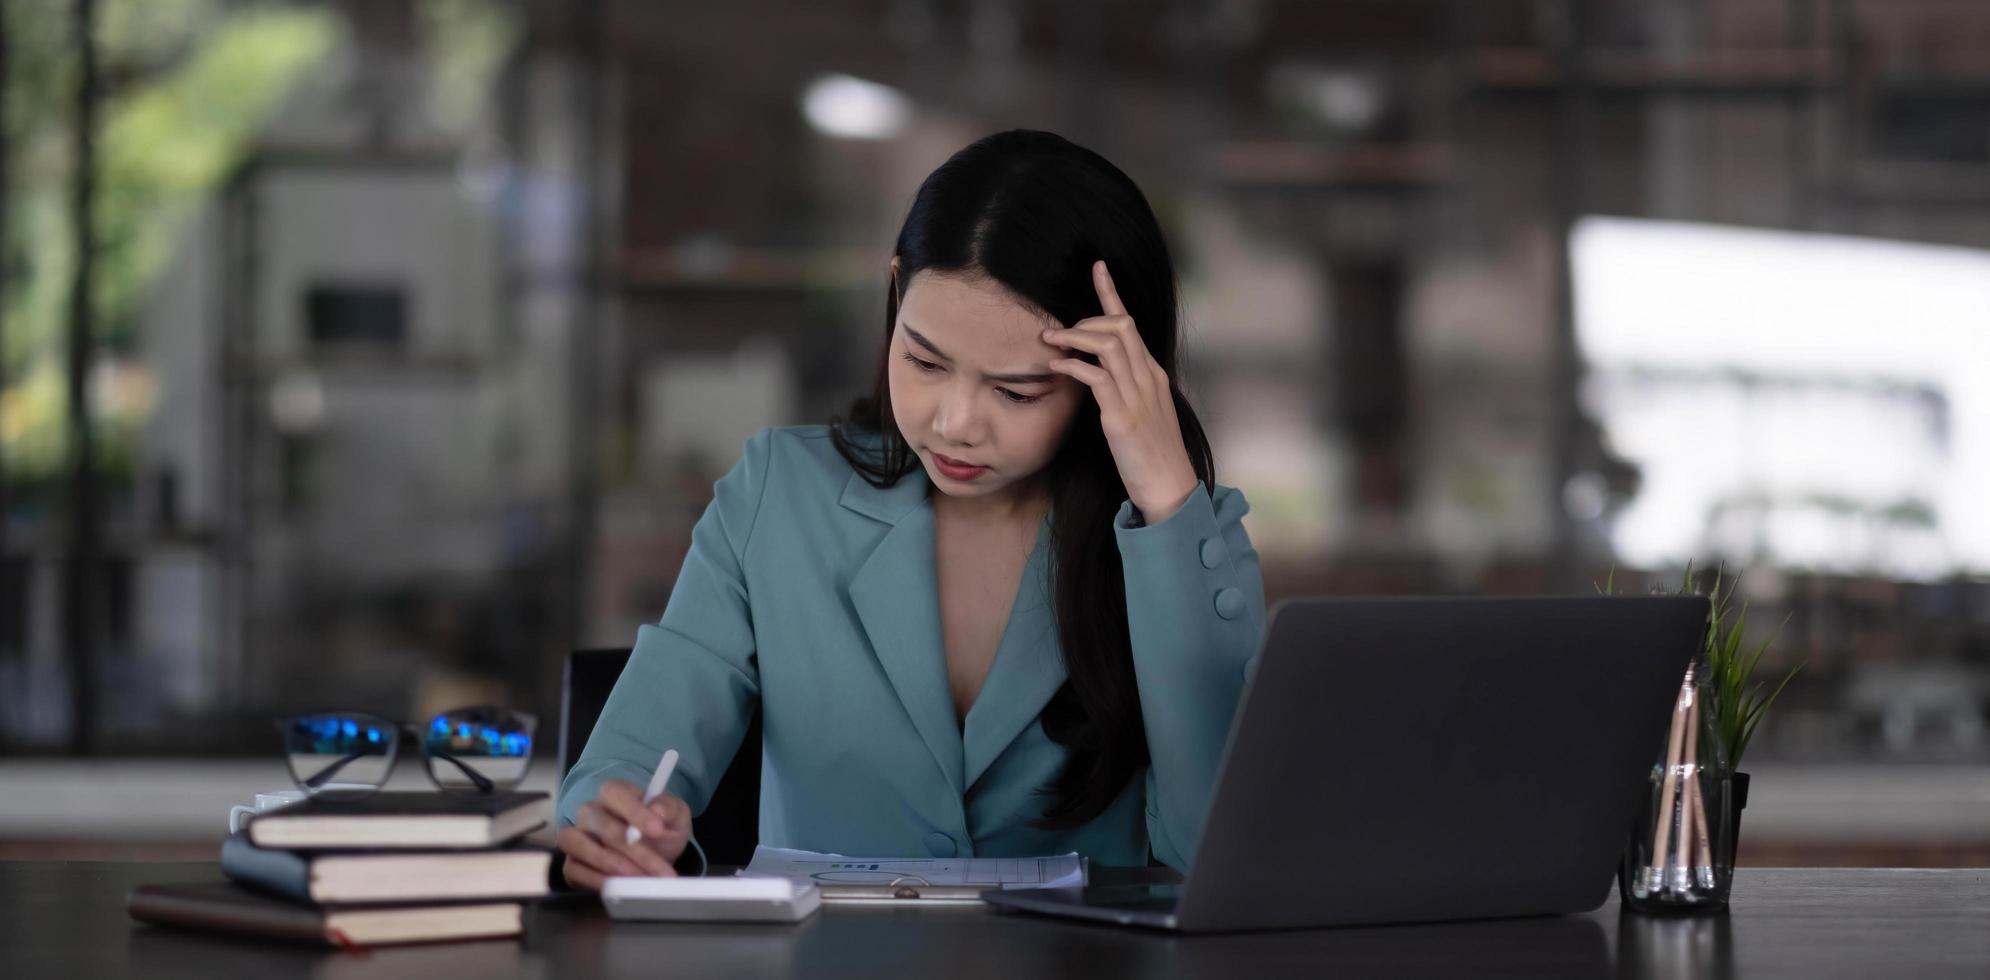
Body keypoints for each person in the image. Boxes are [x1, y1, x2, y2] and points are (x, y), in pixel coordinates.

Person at [555, 129, 1265, 890]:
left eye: (1017, 391)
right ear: (896, 291)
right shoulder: (778, 496)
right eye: (924, 361)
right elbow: (638, 748)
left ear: (1111, 375)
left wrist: (1163, 490)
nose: (955, 422)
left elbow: (1217, 851)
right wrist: (613, 819)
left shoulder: (1184, 542)